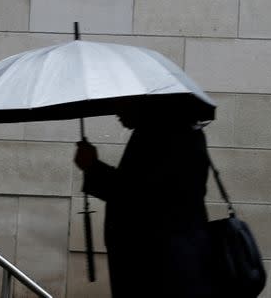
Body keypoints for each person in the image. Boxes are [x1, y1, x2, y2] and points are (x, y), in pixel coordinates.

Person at [73, 107, 217, 297]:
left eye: (123, 103)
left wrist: (92, 167)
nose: (117, 112)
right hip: (168, 262)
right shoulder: (174, 132)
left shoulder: (161, 136)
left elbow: (137, 198)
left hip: (156, 265)